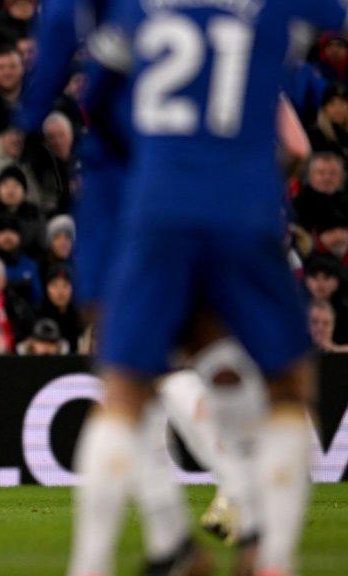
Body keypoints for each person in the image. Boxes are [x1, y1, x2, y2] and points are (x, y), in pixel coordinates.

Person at [65, 2, 348, 575]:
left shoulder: (137, 16)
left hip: (154, 215)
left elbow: (95, 108)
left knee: (132, 387)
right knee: (275, 382)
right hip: (243, 219)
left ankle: (116, 555)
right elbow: (295, 146)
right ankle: (266, 545)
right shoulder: (259, 21)